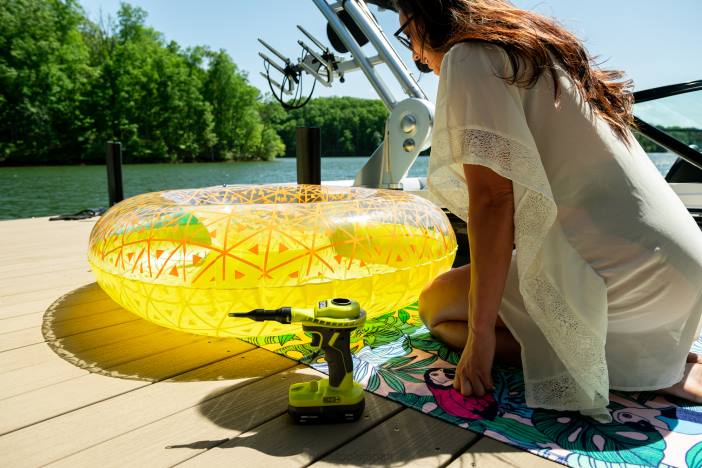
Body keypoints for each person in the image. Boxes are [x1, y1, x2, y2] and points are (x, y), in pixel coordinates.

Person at [393, 0, 702, 421]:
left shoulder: (468, 56)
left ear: (428, 16)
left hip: (627, 281)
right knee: (476, 300)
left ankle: (611, 363)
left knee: (435, 306)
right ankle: (647, 358)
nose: (414, 53)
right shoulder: (537, 50)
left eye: (407, 34)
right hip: (684, 275)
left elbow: (493, 201)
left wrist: (481, 338)